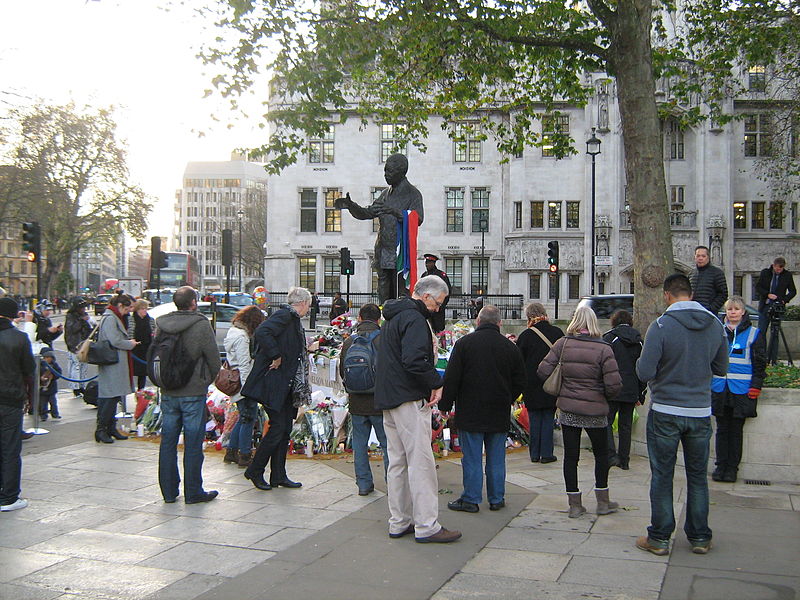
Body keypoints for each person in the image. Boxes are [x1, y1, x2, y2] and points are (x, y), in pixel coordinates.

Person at [635, 273, 728, 556]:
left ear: (667, 295)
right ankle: (700, 537)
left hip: (666, 410)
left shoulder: (661, 325)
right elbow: (721, 367)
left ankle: (660, 537)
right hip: (700, 411)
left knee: (662, 475)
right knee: (698, 476)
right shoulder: (715, 325)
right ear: (691, 294)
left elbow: (644, 371)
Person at [375, 276, 461, 543]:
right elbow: (414, 360)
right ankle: (426, 525)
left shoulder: (393, 316)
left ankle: (399, 521)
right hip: (408, 397)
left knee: (397, 462)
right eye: (438, 303)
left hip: (389, 397)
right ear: (426, 297)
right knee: (421, 463)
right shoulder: (414, 319)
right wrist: (436, 382)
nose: (438, 309)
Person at [537, 306, 622, 518]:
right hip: (596, 410)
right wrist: (601, 395)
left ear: (575, 321)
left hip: (569, 408)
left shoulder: (563, 344)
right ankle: (602, 501)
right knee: (601, 455)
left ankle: (574, 504)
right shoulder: (604, 349)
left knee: (570, 457)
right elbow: (614, 385)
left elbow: (542, 370)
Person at [440, 305, 525, 513]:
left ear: (478, 322)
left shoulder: (464, 344)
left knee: (472, 457)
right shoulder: (510, 347)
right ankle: (497, 498)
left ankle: (471, 498)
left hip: (471, 409)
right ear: (499, 323)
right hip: (498, 409)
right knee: (497, 457)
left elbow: (452, 379)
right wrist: (508, 397)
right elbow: (521, 381)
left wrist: (445, 406)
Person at [155, 286, 221, 504]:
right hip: (193, 390)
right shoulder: (200, 324)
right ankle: (193, 491)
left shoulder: (162, 324)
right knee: (193, 443)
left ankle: (169, 491)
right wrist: (204, 381)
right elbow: (214, 360)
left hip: (168, 390)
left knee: (168, 441)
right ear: (193, 302)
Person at [242, 286, 312, 491]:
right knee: (278, 428)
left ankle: (278, 475)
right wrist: (275, 355)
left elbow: (288, 345)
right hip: (275, 383)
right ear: (303, 303)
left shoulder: (292, 320)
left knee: (284, 429)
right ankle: (255, 470)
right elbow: (263, 332)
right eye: (309, 304)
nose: (309, 308)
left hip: (286, 383)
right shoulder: (285, 316)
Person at [336, 153, 424, 304]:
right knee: (383, 292)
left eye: (389, 171)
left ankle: (399, 321)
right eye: (385, 171)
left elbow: (418, 219)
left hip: (400, 253)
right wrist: (352, 206)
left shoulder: (413, 194)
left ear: (402, 172)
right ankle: (384, 320)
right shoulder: (385, 194)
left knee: (400, 291)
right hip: (383, 250)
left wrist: (394, 211)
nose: (386, 175)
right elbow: (367, 213)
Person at [711, 296, 766, 483]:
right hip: (720, 387)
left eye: (736, 309)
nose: (732, 312)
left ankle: (732, 469)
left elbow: (759, 364)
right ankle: (720, 466)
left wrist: (755, 387)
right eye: (729, 309)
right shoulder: (717, 332)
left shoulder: (754, 333)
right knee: (721, 430)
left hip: (742, 390)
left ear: (743, 312)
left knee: (736, 431)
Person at [339, 303, 388, 496]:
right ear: (379, 319)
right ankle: (392, 483)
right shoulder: (384, 339)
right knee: (387, 445)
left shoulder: (349, 341)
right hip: (379, 401)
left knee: (359, 443)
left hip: (357, 401)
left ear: (359, 317)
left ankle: (364, 484)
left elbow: (342, 371)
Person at [516, 302, 564, 464]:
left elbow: (519, 363)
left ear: (529, 317)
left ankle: (534, 453)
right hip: (551, 381)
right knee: (548, 417)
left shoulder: (525, 336)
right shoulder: (557, 333)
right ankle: (547, 453)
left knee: (535, 418)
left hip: (531, 383)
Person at [0, 297, 35, 511]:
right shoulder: (19, 338)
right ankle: (9, 496)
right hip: (11, 397)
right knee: (10, 447)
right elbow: (29, 370)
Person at [602, 310, 646, 471]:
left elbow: (603, 364)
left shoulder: (609, 338)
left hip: (613, 387)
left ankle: (611, 455)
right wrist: (641, 392)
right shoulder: (638, 340)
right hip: (632, 388)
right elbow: (642, 368)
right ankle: (624, 460)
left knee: (606, 421)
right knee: (625, 425)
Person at [223, 305, 265, 467]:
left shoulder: (233, 332)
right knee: (249, 418)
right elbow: (244, 364)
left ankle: (231, 451)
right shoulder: (242, 337)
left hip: (237, 382)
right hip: (243, 384)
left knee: (243, 417)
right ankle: (245, 454)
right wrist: (249, 388)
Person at [95, 294, 139, 444]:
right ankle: (102, 429)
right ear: (120, 305)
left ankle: (110, 428)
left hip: (115, 361)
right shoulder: (110, 318)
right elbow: (114, 340)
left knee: (114, 397)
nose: (128, 312)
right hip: (112, 361)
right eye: (127, 308)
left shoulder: (113, 317)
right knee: (108, 397)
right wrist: (129, 344)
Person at [755, 257, 796, 343]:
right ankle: (762, 354)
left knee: (775, 333)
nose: (778, 270)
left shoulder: (787, 275)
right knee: (761, 331)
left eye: (780, 268)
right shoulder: (765, 273)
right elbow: (758, 287)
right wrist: (767, 294)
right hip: (765, 306)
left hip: (777, 307)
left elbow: (793, 291)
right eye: (776, 268)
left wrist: (784, 300)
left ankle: (772, 355)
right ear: (773, 265)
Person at [64, 298, 94, 399]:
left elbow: (89, 329)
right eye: (81, 308)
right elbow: (72, 329)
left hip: (83, 343)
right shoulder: (71, 316)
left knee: (83, 365)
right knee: (76, 366)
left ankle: (82, 385)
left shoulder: (82, 316)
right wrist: (82, 321)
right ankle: (75, 387)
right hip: (74, 344)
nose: (83, 309)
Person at [689, 246, 728, 314]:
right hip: (692, 312)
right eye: (698, 256)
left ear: (708, 257)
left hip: (708, 314)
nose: (700, 258)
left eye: (703, 256)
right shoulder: (691, 274)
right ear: (695, 257)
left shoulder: (717, 273)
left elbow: (723, 294)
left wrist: (711, 308)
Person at [420, 254, 452, 333]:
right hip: (427, 309)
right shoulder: (424, 275)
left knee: (439, 330)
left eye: (429, 263)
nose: (427, 265)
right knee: (427, 330)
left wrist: (441, 305)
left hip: (437, 309)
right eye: (426, 263)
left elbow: (447, 292)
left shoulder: (441, 275)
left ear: (434, 263)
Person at [128, 299, 155, 390]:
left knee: (143, 373)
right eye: (142, 309)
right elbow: (129, 333)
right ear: (137, 310)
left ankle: (141, 392)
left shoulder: (150, 320)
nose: (144, 311)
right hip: (134, 349)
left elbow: (153, 333)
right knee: (131, 372)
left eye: (146, 309)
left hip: (146, 349)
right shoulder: (131, 320)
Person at [38, 349, 62, 420]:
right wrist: (40, 378)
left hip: (52, 387)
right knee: (43, 403)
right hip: (42, 387)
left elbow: (59, 373)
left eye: (48, 358)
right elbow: (35, 374)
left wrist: (53, 376)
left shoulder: (54, 365)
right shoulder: (40, 365)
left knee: (53, 402)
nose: (47, 359)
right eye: (45, 358)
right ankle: (43, 415)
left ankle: (55, 414)